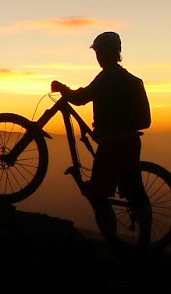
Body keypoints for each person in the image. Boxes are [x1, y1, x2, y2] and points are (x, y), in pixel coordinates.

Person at [50, 31, 153, 252]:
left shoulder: (108, 77)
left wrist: (63, 89)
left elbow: (81, 98)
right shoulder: (131, 80)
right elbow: (145, 120)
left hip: (113, 145)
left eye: (98, 52)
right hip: (131, 141)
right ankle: (145, 242)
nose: (97, 57)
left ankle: (113, 245)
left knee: (97, 195)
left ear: (105, 53)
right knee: (136, 194)